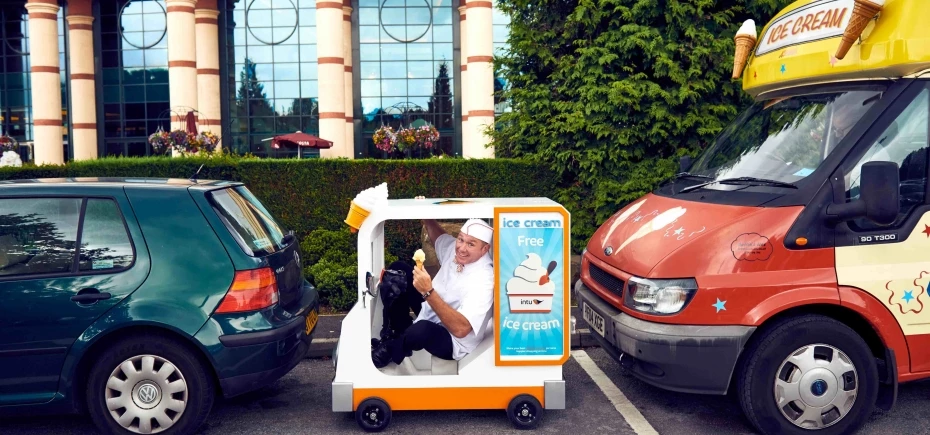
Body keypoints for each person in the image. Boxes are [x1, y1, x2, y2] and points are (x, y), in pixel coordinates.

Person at [371, 218, 495, 369]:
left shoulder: (485, 279)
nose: (462, 248)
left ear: (484, 249)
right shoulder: (455, 251)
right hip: (431, 311)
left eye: (471, 244)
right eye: (461, 239)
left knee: (422, 330)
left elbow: (461, 329)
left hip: (453, 340)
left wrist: (428, 291)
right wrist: (427, 219)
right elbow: (439, 238)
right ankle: (399, 330)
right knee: (400, 270)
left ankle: (392, 349)